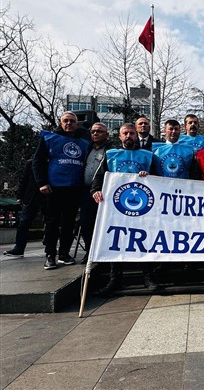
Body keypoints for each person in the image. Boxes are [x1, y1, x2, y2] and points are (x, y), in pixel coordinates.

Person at [91, 123, 159, 294]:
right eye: (125, 133)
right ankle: (115, 279)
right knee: (117, 241)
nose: (129, 136)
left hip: (143, 207)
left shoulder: (147, 155)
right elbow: (99, 177)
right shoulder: (111, 155)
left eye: (131, 133)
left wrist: (149, 176)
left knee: (145, 240)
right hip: (117, 208)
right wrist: (95, 190)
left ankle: (148, 277)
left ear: (136, 135)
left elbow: (159, 179)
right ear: (120, 136)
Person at [33, 111, 90, 270]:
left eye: (72, 121)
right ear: (61, 122)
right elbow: (37, 161)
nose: (69, 123)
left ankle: (64, 253)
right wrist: (42, 182)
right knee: (52, 222)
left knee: (69, 223)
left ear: (76, 124)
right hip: (54, 188)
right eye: (66, 120)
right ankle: (50, 255)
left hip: (75, 188)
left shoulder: (84, 142)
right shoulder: (49, 138)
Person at [79, 123, 112, 263]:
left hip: (105, 192)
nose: (95, 134)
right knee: (86, 222)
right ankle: (89, 252)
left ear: (107, 134)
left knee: (104, 224)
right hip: (87, 191)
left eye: (99, 131)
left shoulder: (112, 150)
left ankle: (104, 253)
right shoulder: (87, 148)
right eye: (93, 131)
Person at [3, 159, 45, 257]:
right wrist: (20, 196)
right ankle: (19, 248)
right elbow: (24, 179)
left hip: (45, 196)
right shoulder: (31, 163)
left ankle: (50, 248)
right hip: (32, 197)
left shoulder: (51, 162)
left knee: (51, 222)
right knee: (24, 223)